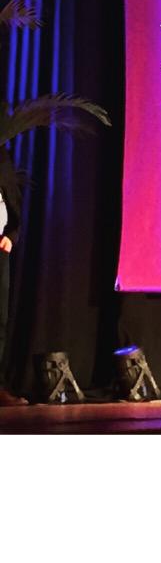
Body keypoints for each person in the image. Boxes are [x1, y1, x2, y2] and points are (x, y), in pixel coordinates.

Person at [0, 147, 27, 407]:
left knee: (0, 319)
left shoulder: (2, 156)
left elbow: (14, 203)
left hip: (0, 248)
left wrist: (11, 236)